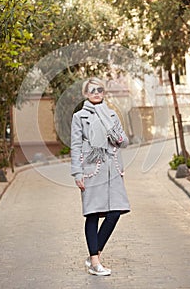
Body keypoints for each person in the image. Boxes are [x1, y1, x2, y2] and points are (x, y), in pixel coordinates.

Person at [70, 77, 130, 276]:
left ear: (104, 93)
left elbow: (124, 141)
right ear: (86, 94)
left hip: (112, 169)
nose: (96, 93)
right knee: (93, 214)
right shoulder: (79, 117)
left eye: (100, 90)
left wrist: (117, 136)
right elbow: (76, 146)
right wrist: (77, 172)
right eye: (92, 90)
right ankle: (95, 262)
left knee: (116, 212)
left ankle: (93, 254)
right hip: (92, 170)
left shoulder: (112, 115)